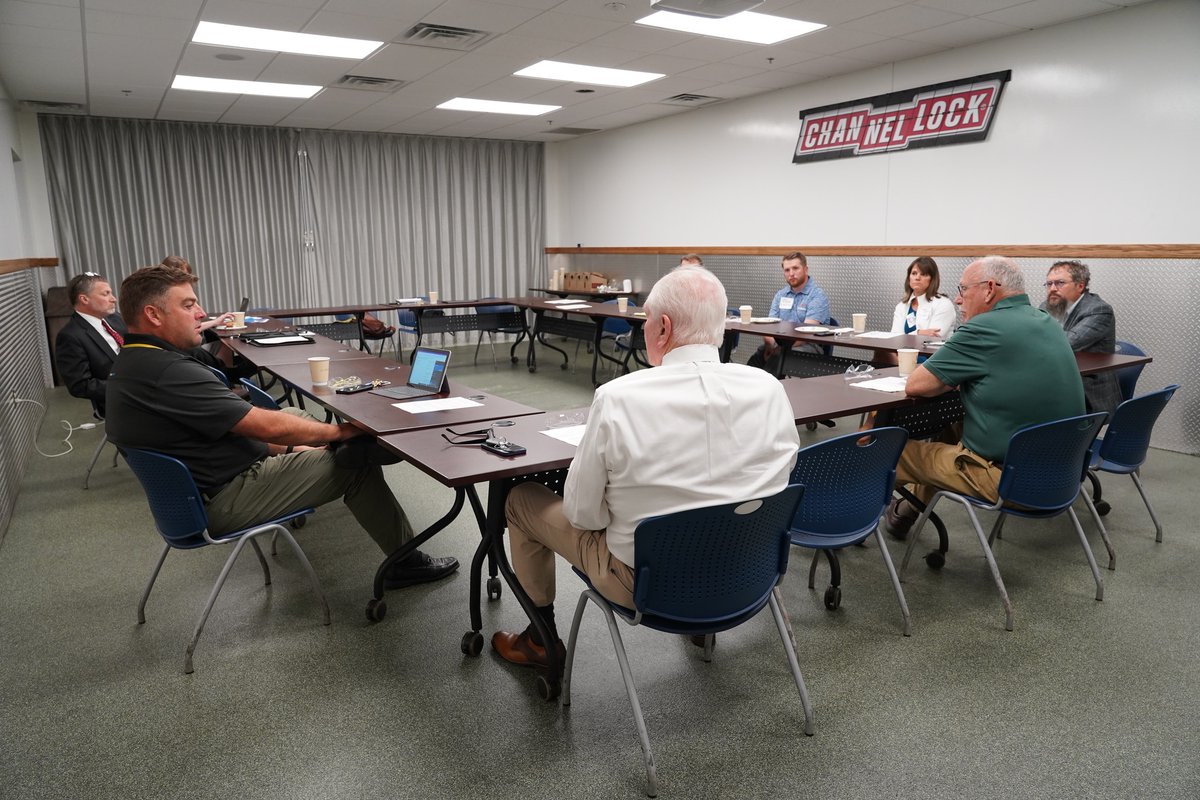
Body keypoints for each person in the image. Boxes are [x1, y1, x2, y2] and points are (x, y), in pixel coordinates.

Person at [492, 265, 800, 668]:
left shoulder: (618, 398)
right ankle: (700, 623)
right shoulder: (769, 389)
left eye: (647, 322)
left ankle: (538, 638)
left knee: (520, 498)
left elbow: (582, 515)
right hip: (746, 571)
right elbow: (780, 476)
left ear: (663, 328)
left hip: (647, 585)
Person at [105, 264, 457, 588]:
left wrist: (309, 444)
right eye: (188, 305)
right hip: (222, 500)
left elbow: (232, 429)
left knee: (318, 435)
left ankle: (363, 450)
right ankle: (405, 563)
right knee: (355, 464)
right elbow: (260, 425)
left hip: (196, 496)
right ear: (152, 314)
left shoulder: (136, 362)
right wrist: (338, 433)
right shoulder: (168, 371)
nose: (201, 314)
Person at [884, 256, 1085, 538]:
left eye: (963, 290)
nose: (957, 299)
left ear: (989, 289)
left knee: (888, 450)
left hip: (1009, 480)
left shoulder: (983, 328)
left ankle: (845, 521)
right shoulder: (1048, 322)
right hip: (1062, 475)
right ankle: (904, 513)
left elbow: (916, 385)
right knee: (950, 428)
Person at [1038, 260, 1121, 416]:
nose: (1052, 289)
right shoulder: (1046, 306)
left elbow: (1066, 343)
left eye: (1060, 283)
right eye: (1049, 284)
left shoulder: (1099, 310)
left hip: (1088, 387)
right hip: (1056, 376)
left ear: (1080, 286)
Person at [55, 272, 126, 417]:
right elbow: (80, 386)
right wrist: (126, 387)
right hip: (118, 399)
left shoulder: (115, 318)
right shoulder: (70, 337)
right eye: (106, 294)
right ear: (84, 299)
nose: (114, 299)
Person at [747, 251, 830, 375]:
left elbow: (806, 334)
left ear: (806, 269)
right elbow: (769, 326)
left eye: (795, 268)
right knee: (759, 353)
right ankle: (746, 388)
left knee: (780, 356)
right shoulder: (781, 295)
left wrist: (781, 348)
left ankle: (768, 390)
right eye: (787, 270)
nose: (791, 273)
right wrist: (771, 345)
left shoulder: (817, 295)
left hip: (808, 346)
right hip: (779, 345)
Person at [890, 256, 956, 337]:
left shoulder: (943, 304)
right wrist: (919, 333)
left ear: (932, 279)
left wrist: (907, 336)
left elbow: (932, 339)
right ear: (909, 277)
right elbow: (894, 338)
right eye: (914, 273)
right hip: (902, 350)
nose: (917, 278)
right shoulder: (902, 305)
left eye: (924, 274)